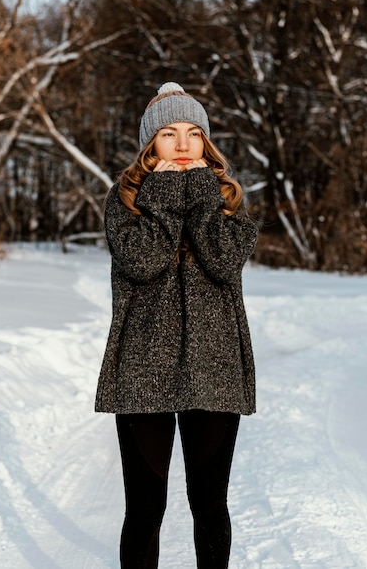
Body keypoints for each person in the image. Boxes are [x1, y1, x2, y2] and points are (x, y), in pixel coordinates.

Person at [95, 82, 258, 569]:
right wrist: (165, 196)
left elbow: (223, 261)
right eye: (169, 133)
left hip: (215, 370)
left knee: (210, 506)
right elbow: (142, 261)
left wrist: (203, 196)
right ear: (151, 145)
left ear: (206, 142)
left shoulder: (228, 201)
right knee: (146, 509)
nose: (183, 144)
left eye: (192, 133)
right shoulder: (124, 202)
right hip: (143, 370)